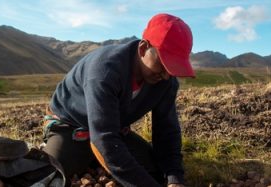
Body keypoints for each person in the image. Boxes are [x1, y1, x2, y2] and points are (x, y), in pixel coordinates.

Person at [43, 13, 195, 187]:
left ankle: (96, 161)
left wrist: (175, 179)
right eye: (163, 63)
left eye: (173, 66)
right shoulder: (105, 71)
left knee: (156, 170)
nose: (167, 75)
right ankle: (76, 153)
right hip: (70, 125)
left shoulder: (166, 81)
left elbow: (167, 132)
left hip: (112, 128)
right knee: (50, 176)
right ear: (143, 48)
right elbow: (105, 140)